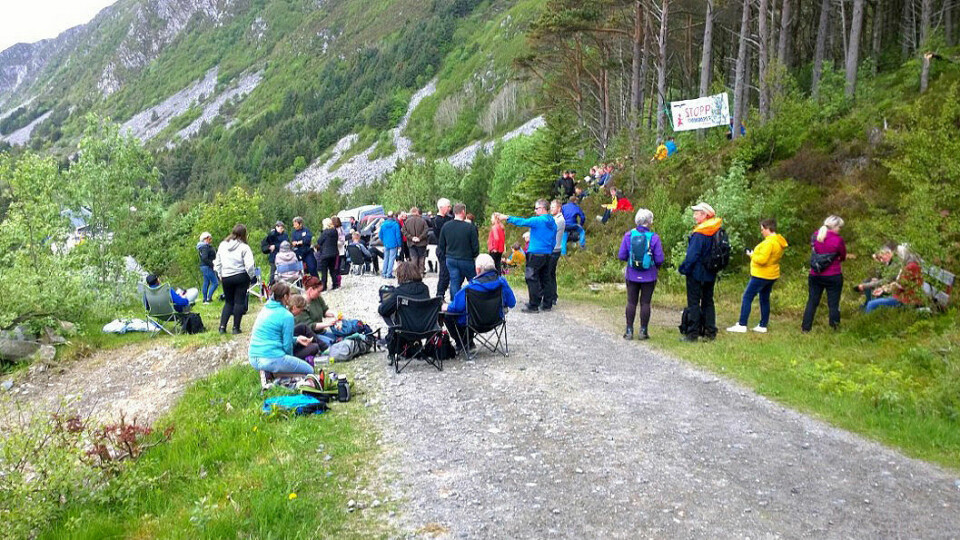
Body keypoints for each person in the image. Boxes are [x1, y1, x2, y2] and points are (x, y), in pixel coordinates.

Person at [443, 254, 516, 351]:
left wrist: (445, 307)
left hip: (473, 324)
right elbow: (512, 303)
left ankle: (464, 343)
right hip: (495, 321)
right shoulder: (502, 283)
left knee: (448, 314)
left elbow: (455, 307)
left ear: (477, 270)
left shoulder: (470, 288)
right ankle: (468, 343)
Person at [727, 219, 788, 334]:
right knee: (764, 298)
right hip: (771, 274)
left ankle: (742, 324)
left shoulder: (769, 243)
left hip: (761, 275)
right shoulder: (778, 241)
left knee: (747, 297)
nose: (761, 232)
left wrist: (752, 255)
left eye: (762, 229)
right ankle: (763, 325)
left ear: (768, 229)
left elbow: (762, 260)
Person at [498, 199, 557, 313]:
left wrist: (506, 217)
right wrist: (550, 249)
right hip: (548, 253)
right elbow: (554, 239)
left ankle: (534, 304)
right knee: (546, 278)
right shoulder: (552, 221)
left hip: (535, 253)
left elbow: (521, 222)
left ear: (542, 209)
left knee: (531, 277)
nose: (535, 211)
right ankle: (547, 303)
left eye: (536, 208)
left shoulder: (538, 220)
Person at [617, 208, 665, 340]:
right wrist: (656, 267)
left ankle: (629, 330)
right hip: (649, 275)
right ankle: (643, 331)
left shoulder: (628, 235)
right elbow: (659, 259)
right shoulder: (654, 238)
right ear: (649, 222)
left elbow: (621, 255)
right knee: (645, 303)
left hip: (632, 274)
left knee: (631, 302)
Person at [678, 203, 723, 342]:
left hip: (696, 273)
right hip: (711, 272)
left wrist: (683, 269)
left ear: (704, 215)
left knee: (694, 303)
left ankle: (692, 334)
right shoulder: (717, 230)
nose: (694, 215)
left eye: (696, 213)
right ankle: (710, 332)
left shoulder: (700, 233)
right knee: (708, 302)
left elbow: (692, 256)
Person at [248, 283, 314, 375]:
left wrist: (296, 339)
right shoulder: (287, 316)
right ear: (285, 297)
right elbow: (287, 346)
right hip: (270, 357)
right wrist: (291, 363)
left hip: (253, 357)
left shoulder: (265, 308)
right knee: (310, 370)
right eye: (290, 295)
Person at [801, 216, 847, 332]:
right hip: (833, 275)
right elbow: (843, 256)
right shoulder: (838, 240)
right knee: (833, 303)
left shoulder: (815, 235)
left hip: (815, 274)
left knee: (812, 301)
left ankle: (806, 328)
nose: (840, 230)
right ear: (835, 226)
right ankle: (835, 328)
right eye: (839, 227)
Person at [378, 261, 432, 354]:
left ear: (401, 275)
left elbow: (383, 310)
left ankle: (391, 338)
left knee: (388, 311)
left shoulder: (399, 292)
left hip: (405, 330)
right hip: (426, 328)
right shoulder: (425, 289)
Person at [214, 224, 257, 334]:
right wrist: (251, 276)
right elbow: (250, 265)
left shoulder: (223, 245)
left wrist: (220, 274)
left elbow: (217, 262)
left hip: (226, 276)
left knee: (228, 302)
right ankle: (235, 328)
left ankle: (222, 327)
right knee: (239, 302)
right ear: (244, 234)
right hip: (240, 276)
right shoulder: (244, 247)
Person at [864, 245, 924, 313]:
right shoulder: (909, 265)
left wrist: (883, 289)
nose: (899, 257)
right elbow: (899, 284)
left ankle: (867, 321)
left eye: (900, 254)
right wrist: (883, 289)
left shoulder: (911, 267)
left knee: (871, 304)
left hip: (906, 299)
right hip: (903, 296)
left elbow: (899, 285)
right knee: (874, 299)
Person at [438, 203, 480, 299]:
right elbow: (475, 247)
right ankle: (476, 300)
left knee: (454, 282)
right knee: (473, 281)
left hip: (451, 259)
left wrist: (447, 254)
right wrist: (473, 255)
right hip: (466, 259)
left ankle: (455, 304)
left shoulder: (446, 226)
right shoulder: (470, 227)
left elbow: (441, 245)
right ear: (463, 212)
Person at [296, 276, 338, 349]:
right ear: (310, 290)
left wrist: (334, 314)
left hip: (321, 332)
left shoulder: (317, 298)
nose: (319, 294)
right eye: (318, 291)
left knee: (339, 339)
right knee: (332, 345)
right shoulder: (301, 305)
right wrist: (328, 324)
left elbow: (325, 310)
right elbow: (310, 326)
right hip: (311, 335)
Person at [854, 242, 900, 307]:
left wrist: (865, 286)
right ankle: (868, 303)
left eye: (882, 257)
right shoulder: (887, 262)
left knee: (869, 285)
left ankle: (870, 305)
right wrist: (878, 264)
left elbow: (886, 280)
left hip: (891, 287)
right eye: (879, 258)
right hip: (886, 285)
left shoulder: (895, 264)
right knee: (867, 281)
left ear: (888, 254)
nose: (881, 260)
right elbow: (879, 275)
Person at [287, 294, 323, 360]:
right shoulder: (288, 318)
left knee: (302, 327)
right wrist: (297, 340)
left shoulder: (288, 315)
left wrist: (298, 339)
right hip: (289, 353)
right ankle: (322, 347)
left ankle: (324, 346)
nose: (301, 312)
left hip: (292, 342)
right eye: (300, 310)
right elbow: (287, 341)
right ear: (294, 308)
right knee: (315, 347)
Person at [433, 198, 454, 299]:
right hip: (442, 249)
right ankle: (440, 294)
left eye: (450, 206)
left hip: (450, 249)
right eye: (448, 206)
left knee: (451, 274)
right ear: (441, 207)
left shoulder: (449, 218)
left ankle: (449, 294)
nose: (450, 208)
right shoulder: (437, 220)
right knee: (444, 273)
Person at [546, 200, 565, 309]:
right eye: (551, 207)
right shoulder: (554, 219)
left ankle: (551, 296)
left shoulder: (559, 220)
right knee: (551, 274)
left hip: (554, 250)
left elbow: (549, 230)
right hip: (553, 249)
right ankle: (553, 295)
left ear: (559, 208)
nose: (551, 209)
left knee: (549, 274)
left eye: (553, 207)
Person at [402, 207, 429, 274]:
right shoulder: (422, 220)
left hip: (411, 243)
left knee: (413, 258)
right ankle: (421, 272)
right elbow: (426, 230)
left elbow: (403, 230)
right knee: (421, 258)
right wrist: (420, 238)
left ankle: (414, 273)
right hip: (422, 243)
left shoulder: (407, 221)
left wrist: (411, 237)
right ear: (417, 212)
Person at [379, 211, 403, 279]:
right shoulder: (395, 225)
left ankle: (384, 273)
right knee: (391, 259)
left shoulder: (383, 224)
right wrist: (399, 244)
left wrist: (384, 241)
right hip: (394, 244)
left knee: (386, 258)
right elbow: (398, 236)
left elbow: (380, 235)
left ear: (387, 216)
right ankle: (389, 274)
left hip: (386, 244)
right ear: (393, 216)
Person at [196, 232, 218, 304]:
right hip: (207, 266)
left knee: (206, 282)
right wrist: (212, 265)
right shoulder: (205, 247)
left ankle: (205, 299)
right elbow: (205, 258)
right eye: (209, 238)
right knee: (215, 283)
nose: (210, 240)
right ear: (205, 239)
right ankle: (208, 298)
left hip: (204, 266)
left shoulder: (202, 247)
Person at [330, 216, 346, 289]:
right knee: (335, 267)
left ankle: (338, 282)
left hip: (339, 251)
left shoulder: (340, 230)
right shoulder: (334, 230)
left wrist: (334, 242)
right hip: (335, 251)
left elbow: (342, 241)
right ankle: (335, 282)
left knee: (336, 267)